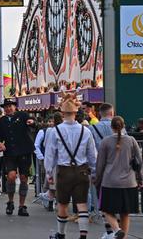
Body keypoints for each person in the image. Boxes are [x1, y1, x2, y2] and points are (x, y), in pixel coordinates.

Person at [44, 93, 97, 239]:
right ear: (75, 112)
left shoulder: (56, 131)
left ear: (62, 113)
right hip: (82, 171)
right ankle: (83, 235)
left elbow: (50, 155)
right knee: (82, 204)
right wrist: (94, 173)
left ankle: (61, 234)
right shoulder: (85, 131)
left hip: (64, 171)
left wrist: (49, 174)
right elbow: (92, 155)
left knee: (63, 204)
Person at [95, 116, 143, 239]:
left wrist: (97, 179)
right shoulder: (132, 140)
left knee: (106, 210)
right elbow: (139, 161)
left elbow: (100, 164)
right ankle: (124, 236)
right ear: (124, 126)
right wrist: (140, 177)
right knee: (125, 213)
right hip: (129, 182)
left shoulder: (105, 142)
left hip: (110, 181)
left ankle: (116, 230)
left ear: (111, 127)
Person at [0, 98, 34, 216]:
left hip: (24, 151)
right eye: (6, 107)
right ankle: (10, 201)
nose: (8, 108)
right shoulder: (2, 120)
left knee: (23, 178)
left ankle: (22, 206)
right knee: (11, 176)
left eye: (10, 106)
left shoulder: (22, 115)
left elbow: (33, 122)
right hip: (10, 152)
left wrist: (32, 122)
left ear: (15, 106)